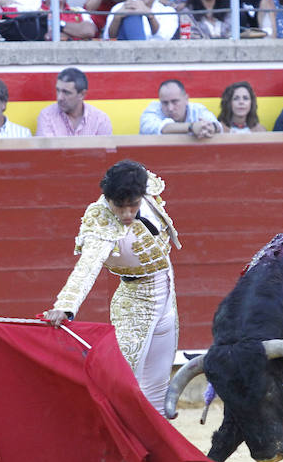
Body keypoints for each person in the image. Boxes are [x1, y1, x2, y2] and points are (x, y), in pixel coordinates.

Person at [38, 159, 182, 415]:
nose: (127, 214)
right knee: (126, 383)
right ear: (108, 199)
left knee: (159, 386)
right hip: (135, 307)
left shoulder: (146, 189)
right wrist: (65, 306)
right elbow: (88, 265)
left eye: (133, 206)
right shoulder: (100, 220)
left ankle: (158, 451)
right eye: (120, 207)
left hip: (167, 298)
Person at [36, 67, 113, 137]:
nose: (60, 98)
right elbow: (47, 151)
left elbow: (105, 151)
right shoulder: (47, 116)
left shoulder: (100, 120)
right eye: (58, 90)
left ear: (82, 94)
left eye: (66, 92)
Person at [139, 79, 222, 138]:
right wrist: (192, 127)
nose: (170, 108)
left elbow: (216, 125)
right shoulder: (151, 111)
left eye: (175, 102)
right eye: (165, 103)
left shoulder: (197, 109)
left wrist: (211, 127)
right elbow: (160, 128)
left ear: (186, 99)